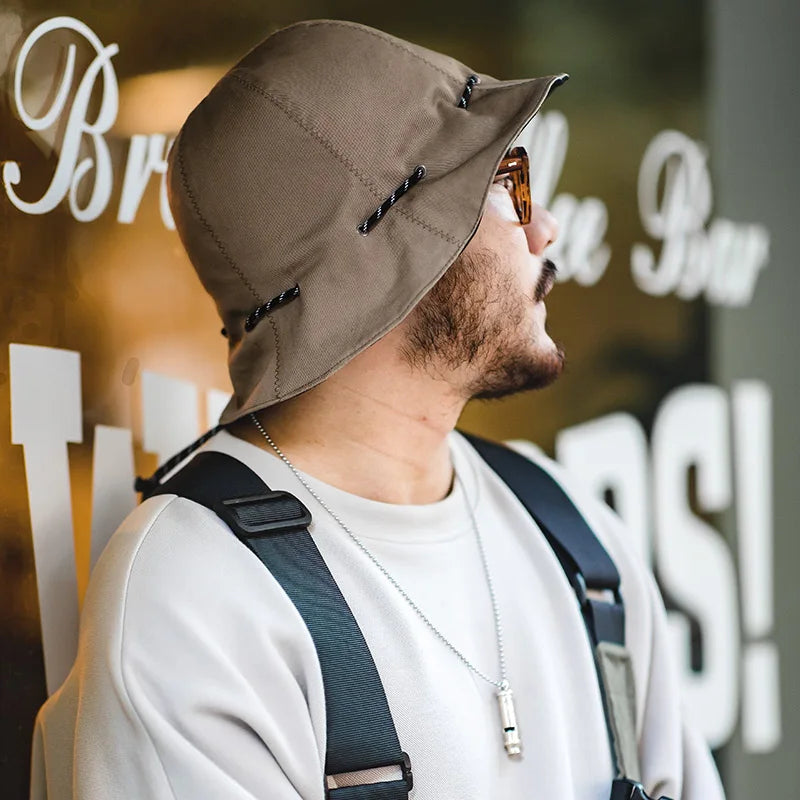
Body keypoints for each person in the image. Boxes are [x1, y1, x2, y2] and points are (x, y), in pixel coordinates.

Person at [30, 19, 726, 800]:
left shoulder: (569, 532)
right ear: (392, 256)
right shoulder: (194, 597)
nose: (546, 228)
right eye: (507, 183)